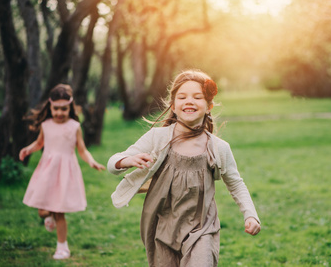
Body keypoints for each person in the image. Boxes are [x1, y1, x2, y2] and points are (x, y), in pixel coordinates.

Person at [108, 70, 261, 266]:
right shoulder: (158, 138)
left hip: (202, 228)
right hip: (162, 228)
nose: (189, 101)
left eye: (197, 97)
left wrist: (250, 214)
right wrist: (127, 161)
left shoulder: (218, 148)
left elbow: (236, 184)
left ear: (208, 107)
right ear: (173, 105)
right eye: (182, 97)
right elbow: (113, 163)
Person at [19, 84, 105, 260]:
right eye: (56, 109)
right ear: (50, 107)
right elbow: (39, 143)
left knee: (59, 212)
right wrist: (28, 149)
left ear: (70, 108)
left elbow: (82, 150)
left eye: (63, 109)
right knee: (42, 210)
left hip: (65, 172)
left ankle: (62, 247)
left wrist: (91, 161)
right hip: (47, 170)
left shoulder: (74, 126)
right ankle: (47, 216)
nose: (59, 113)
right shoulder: (46, 125)